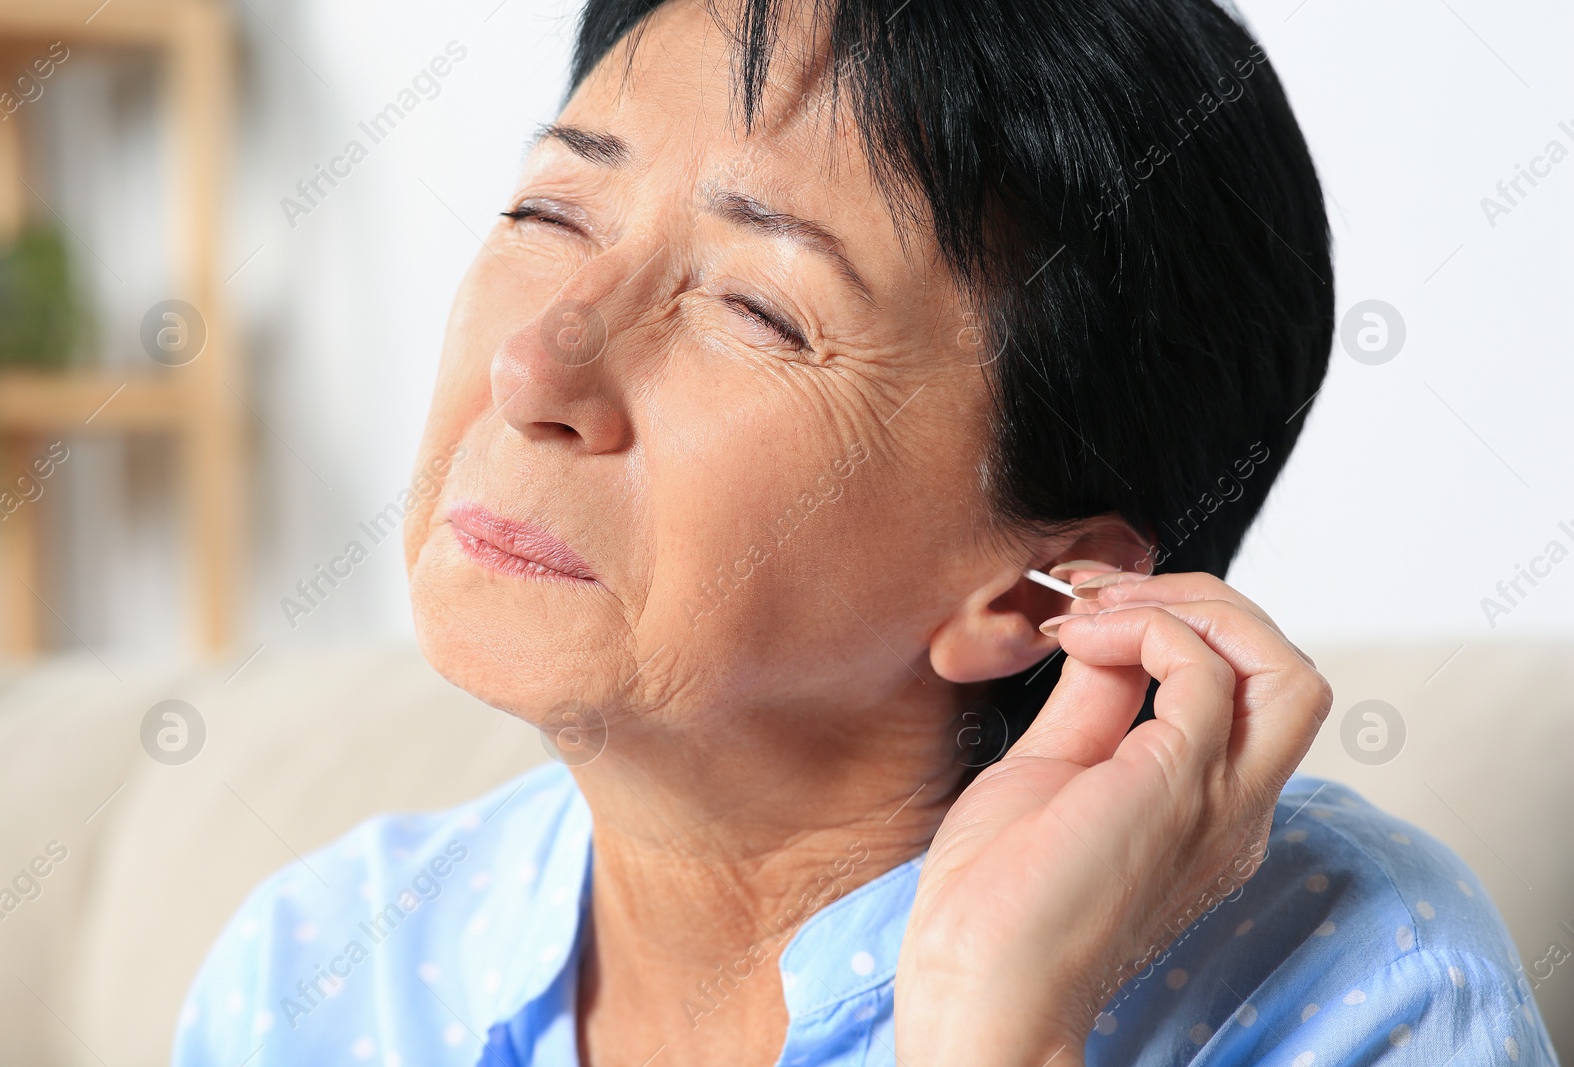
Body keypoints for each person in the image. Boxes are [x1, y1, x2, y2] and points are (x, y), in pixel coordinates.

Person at [174, 0, 1560, 1063]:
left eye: (757, 311)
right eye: (551, 210)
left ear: (1043, 595)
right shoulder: (326, 963)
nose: (535, 369)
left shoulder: (1353, 977)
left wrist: (987, 1024)